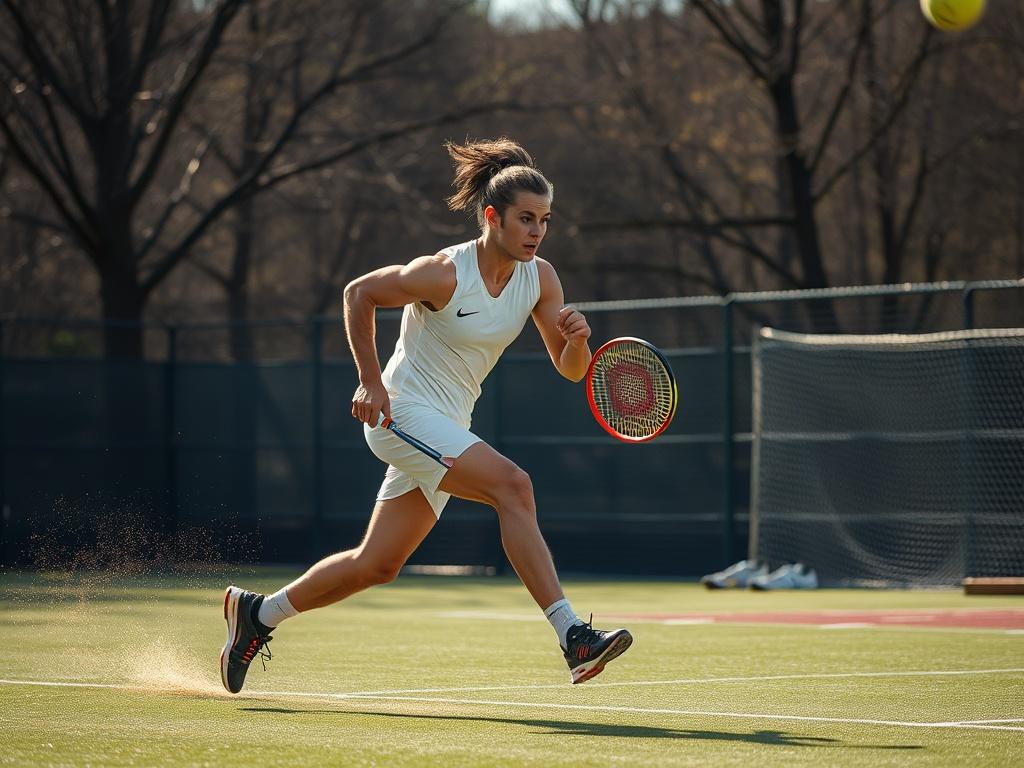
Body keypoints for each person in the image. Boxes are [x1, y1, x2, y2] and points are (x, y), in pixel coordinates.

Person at [220, 137, 632, 694]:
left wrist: (577, 340)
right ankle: (572, 637)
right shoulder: (443, 273)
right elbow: (358, 293)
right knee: (515, 486)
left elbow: (571, 369)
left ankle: (258, 615)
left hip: (446, 427)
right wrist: (369, 380)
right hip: (402, 415)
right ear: (492, 217)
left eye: (545, 220)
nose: (537, 231)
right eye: (526, 219)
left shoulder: (541, 279)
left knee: (377, 564)